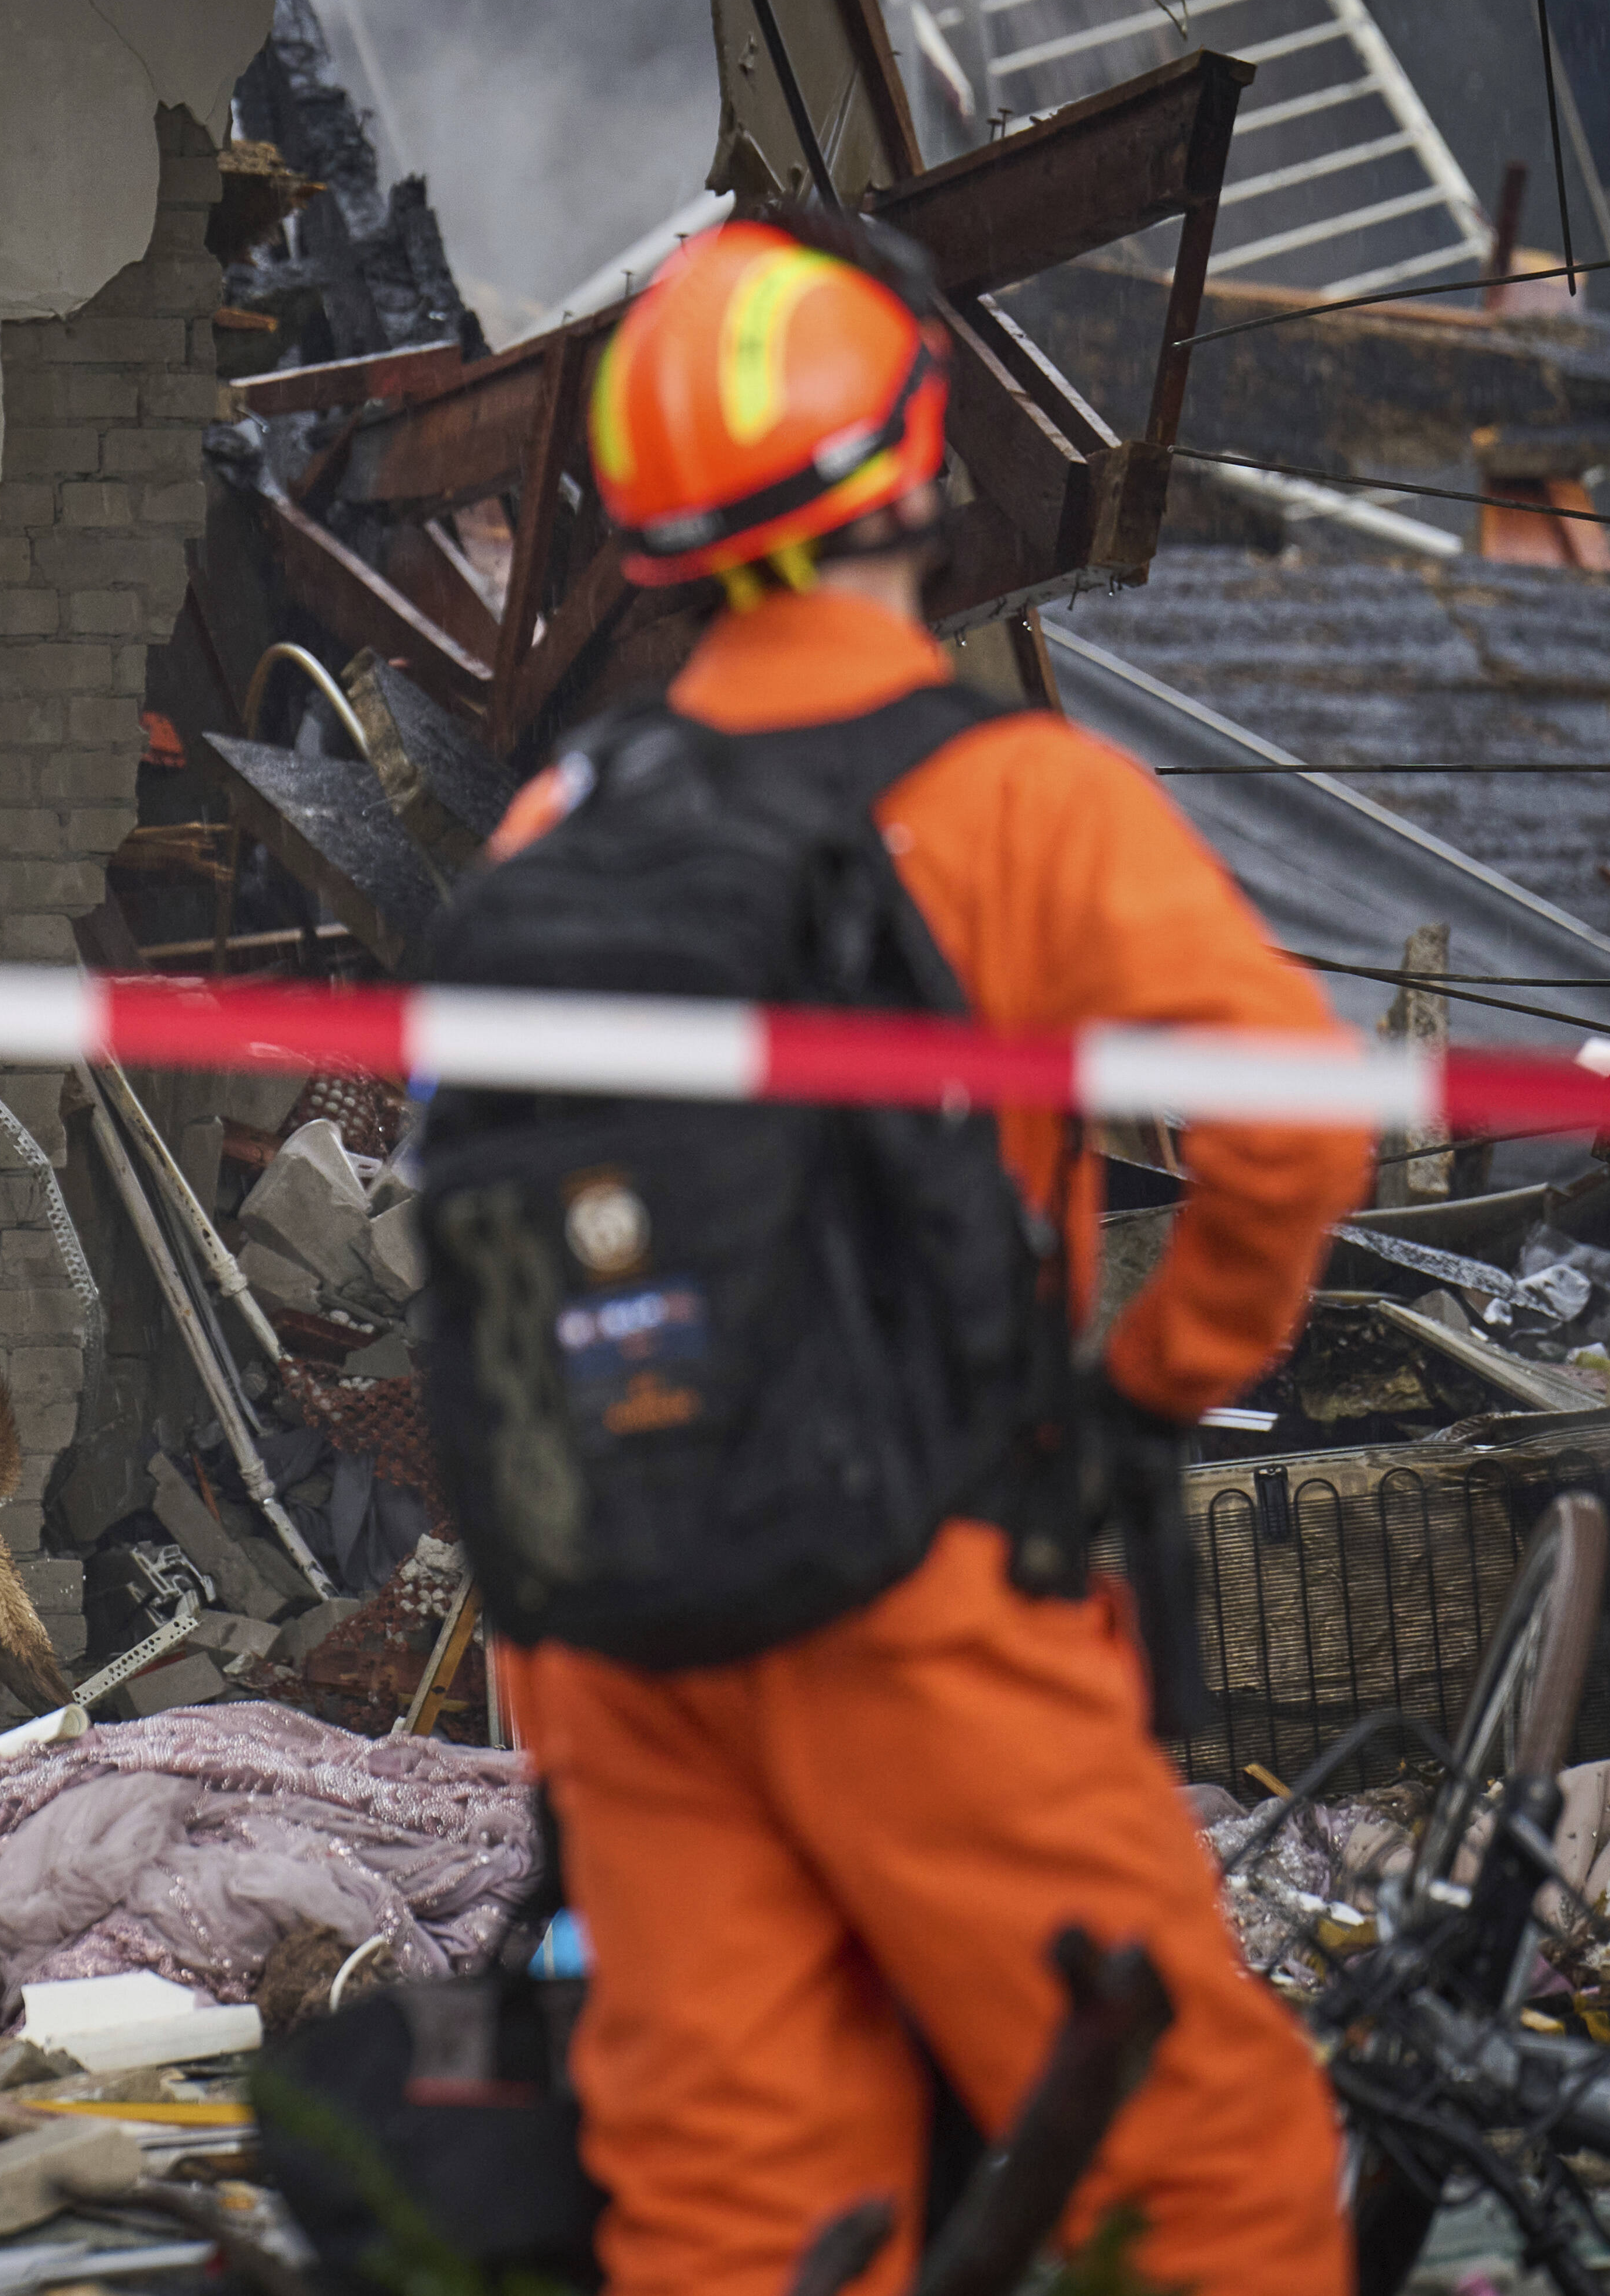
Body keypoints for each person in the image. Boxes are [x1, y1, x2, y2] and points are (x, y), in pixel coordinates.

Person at [487, 211, 1367, 2296]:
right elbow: (1289, 1120)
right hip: (927, 1591)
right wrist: (1148, 1388)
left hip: (624, 1628)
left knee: (744, 2214)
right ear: (913, 470)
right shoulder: (1022, 803)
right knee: (1203, 2179)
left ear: (652, 548)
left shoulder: (552, 833)